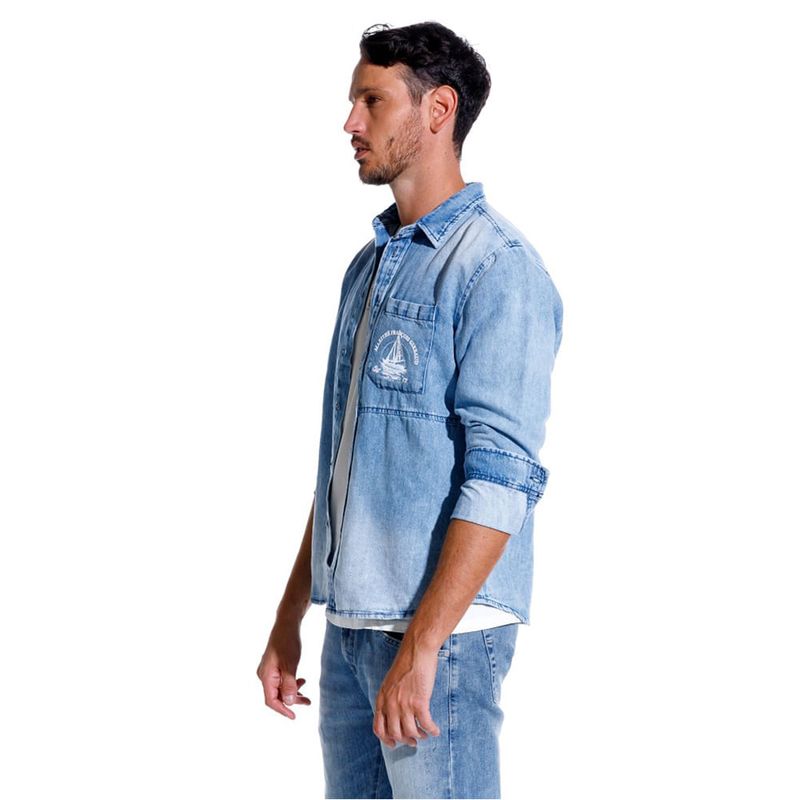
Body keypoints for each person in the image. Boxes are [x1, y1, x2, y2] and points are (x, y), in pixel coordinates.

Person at [257, 20, 564, 799]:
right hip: (351, 626)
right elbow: (344, 465)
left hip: (442, 639)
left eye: (372, 100)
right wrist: (292, 613)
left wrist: (424, 644)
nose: (350, 123)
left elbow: (503, 478)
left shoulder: (496, 269)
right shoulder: (367, 269)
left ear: (439, 110)